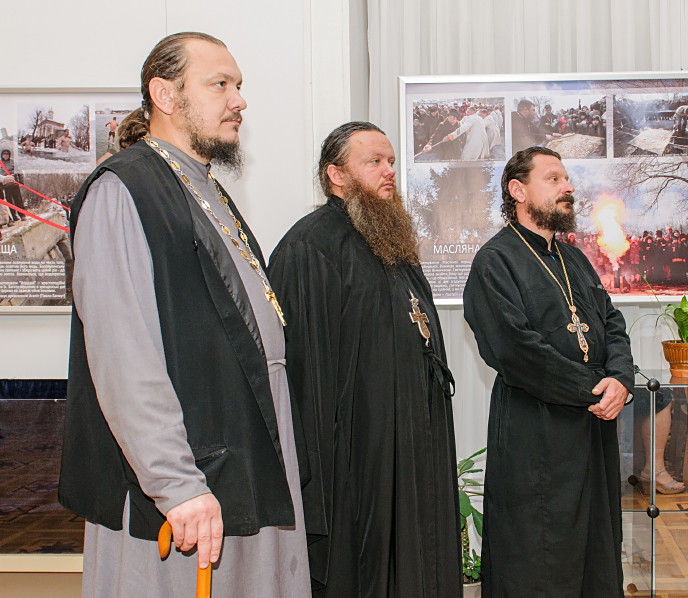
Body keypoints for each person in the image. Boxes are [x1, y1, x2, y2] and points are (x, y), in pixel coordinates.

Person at [57, 32, 311, 598]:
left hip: (241, 450)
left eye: (238, 85)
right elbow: (124, 355)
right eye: (220, 84)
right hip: (187, 479)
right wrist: (176, 484)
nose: (239, 100)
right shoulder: (125, 187)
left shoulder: (204, 187)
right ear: (165, 94)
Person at [268, 121, 461, 597]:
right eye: (374, 161)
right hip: (356, 458)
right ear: (336, 174)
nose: (388, 170)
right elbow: (306, 376)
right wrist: (318, 486)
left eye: (390, 161)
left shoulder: (391, 242)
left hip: (412, 440)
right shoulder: (310, 246)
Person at [463, 146, 635, 597]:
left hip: (592, 430)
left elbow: (611, 322)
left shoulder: (573, 258)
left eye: (566, 179)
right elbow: (515, 349)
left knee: (595, 546)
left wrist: (621, 378)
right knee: (538, 551)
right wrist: (595, 388)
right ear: (517, 191)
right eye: (554, 179)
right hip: (534, 431)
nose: (568, 187)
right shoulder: (495, 261)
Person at [1, 149, 26, 224]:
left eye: (7, 154)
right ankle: (13, 216)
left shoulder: (13, 163)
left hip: (14, 184)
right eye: (4, 154)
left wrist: (21, 182)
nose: (5, 155)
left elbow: (19, 173)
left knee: (18, 200)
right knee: (9, 201)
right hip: (4, 185)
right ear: (2, 155)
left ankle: (22, 215)